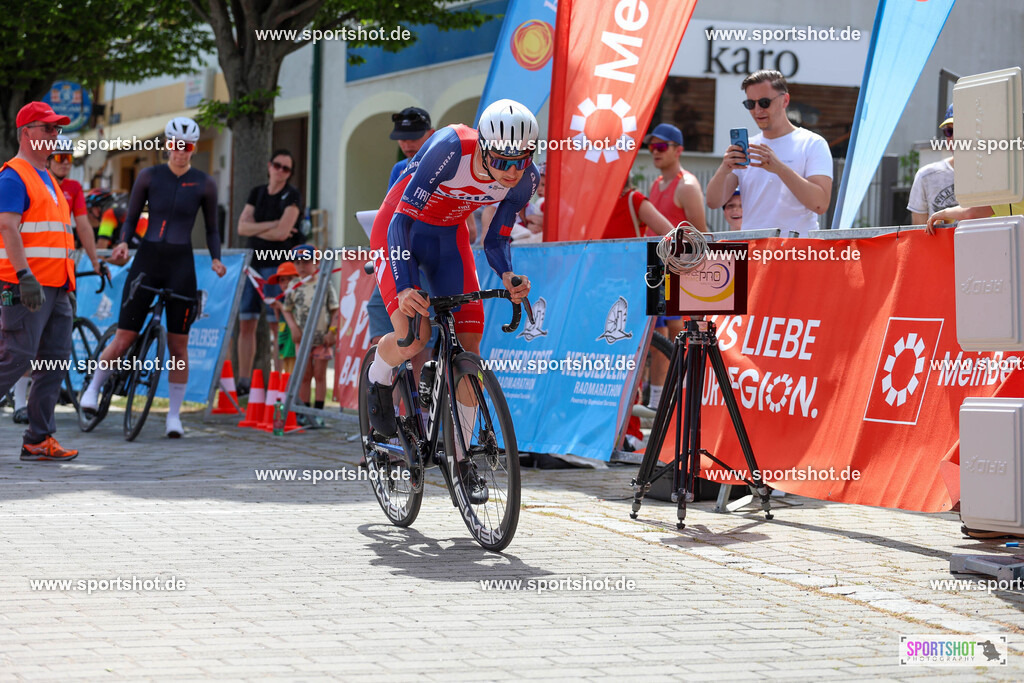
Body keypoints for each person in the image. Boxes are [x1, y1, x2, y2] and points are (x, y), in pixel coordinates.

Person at [366, 98, 538, 504]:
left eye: (522, 161)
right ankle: (377, 376)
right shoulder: (451, 148)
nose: (513, 171)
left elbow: (496, 238)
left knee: (471, 349)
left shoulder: (526, 178)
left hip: (448, 240)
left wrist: (508, 274)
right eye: (503, 161)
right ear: (483, 147)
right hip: (399, 232)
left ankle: (461, 461)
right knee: (414, 337)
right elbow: (401, 221)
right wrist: (406, 284)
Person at [80, 117, 225, 438]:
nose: (180, 152)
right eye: (175, 145)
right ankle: (92, 390)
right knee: (124, 337)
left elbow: (213, 228)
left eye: (186, 147)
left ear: (194, 148)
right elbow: (130, 218)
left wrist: (216, 258)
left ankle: (174, 416)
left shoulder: (205, 183)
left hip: (181, 266)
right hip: (147, 261)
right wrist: (121, 243)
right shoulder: (149, 175)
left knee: (179, 346)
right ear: (167, 146)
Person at [0, 102, 96, 460]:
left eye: (57, 129)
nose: (55, 135)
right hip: (26, 287)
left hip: (57, 288)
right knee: (16, 356)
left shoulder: (49, 179)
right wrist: (25, 276)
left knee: (53, 360)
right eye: (47, 129)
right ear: (26, 132)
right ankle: (38, 437)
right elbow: (7, 226)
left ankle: (38, 438)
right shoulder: (13, 175)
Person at [706, 69, 833, 237]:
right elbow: (713, 202)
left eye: (764, 102)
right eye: (750, 104)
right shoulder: (748, 146)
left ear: (785, 100)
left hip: (796, 252)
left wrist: (779, 168)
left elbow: (820, 204)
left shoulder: (812, 143)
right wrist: (724, 169)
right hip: (753, 251)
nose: (757, 110)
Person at [236, 149, 302, 396]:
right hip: (252, 263)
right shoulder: (257, 192)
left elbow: (282, 234)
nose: (281, 171)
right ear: (269, 165)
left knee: (278, 326)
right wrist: (274, 224)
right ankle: (244, 381)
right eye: (277, 165)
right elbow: (241, 227)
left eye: (286, 168)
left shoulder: (292, 195)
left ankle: (279, 383)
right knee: (246, 323)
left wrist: (261, 228)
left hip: (278, 265)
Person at [281, 249, 339, 428]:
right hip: (302, 340)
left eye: (305, 262)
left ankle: (319, 413)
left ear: (316, 262)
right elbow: (286, 309)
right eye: (297, 263)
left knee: (320, 376)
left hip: (322, 340)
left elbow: (335, 309)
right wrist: (293, 328)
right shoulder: (294, 286)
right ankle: (304, 413)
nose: (301, 266)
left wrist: (332, 331)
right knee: (304, 376)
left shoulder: (324, 284)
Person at [644, 123, 707, 232]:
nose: (655, 151)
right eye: (652, 146)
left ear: (678, 150)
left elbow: (702, 236)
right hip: (655, 249)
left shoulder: (687, 186)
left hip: (678, 249)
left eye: (661, 147)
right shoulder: (654, 185)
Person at [909, 105, 956, 225]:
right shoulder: (925, 176)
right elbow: (919, 234)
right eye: (949, 131)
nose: (953, 138)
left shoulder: (990, 175)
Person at [267, 261, 299, 375]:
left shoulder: (298, 299)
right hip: (285, 346)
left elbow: (294, 320)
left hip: (293, 348)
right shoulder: (283, 299)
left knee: (293, 375)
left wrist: (280, 306)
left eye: (290, 278)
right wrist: (277, 308)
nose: (285, 283)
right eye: (282, 280)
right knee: (286, 376)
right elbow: (280, 321)